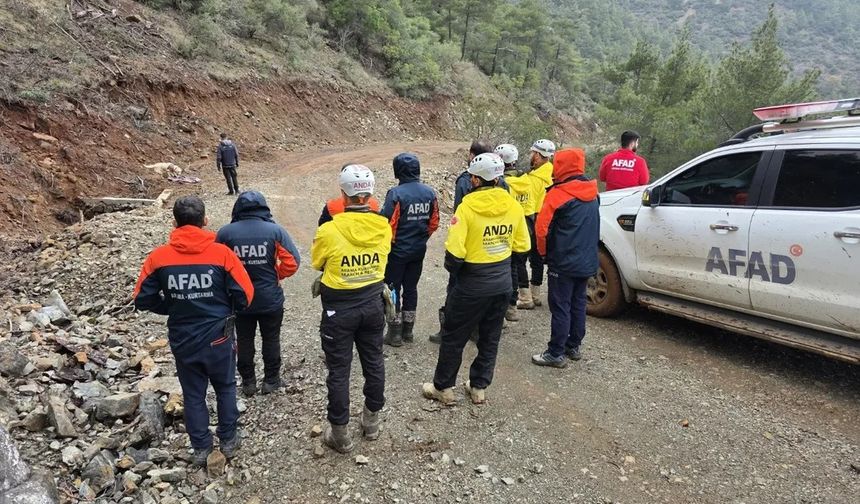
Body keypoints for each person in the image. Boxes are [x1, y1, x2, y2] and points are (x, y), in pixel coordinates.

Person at [133, 196, 254, 466]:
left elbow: (142, 298)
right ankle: (229, 440)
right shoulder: (222, 254)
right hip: (218, 335)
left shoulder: (158, 257)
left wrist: (174, 306)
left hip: (182, 337)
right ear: (205, 221)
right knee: (225, 387)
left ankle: (201, 447)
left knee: (193, 393)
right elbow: (245, 293)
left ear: (175, 223)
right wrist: (223, 305)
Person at [422, 153, 530, 405]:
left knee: (454, 336)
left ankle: (444, 388)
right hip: (502, 282)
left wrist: (459, 274)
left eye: (472, 177)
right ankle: (479, 387)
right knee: (490, 337)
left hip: (472, 283)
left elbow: (455, 253)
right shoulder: (513, 206)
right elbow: (522, 246)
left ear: (476, 180)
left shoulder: (467, 207)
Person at [311, 164, 391, 453]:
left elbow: (318, 262)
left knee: (339, 370)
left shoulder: (329, 229)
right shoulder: (383, 226)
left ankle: (340, 434)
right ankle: (371, 422)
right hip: (373, 304)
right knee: (374, 361)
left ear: (343, 195)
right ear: (369, 195)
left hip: (339, 309)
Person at [215, 191, 301, 396]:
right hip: (270, 298)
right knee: (271, 338)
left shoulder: (225, 233)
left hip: (240, 300)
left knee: (244, 340)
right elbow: (293, 262)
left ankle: (248, 383)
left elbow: (216, 265)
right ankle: (271, 380)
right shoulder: (275, 231)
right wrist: (275, 275)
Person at [430, 140, 508, 343]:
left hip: (469, 246)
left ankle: (449, 329)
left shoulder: (466, 181)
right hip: (495, 247)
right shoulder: (502, 182)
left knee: (456, 289)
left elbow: (458, 212)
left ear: (473, 156)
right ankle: (476, 329)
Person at [530, 148, 600, 368]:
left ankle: (555, 352)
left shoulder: (558, 195)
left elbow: (541, 230)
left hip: (563, 261)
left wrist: (543, 254)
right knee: (578, 303)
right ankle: (573, 346)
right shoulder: (593, 192)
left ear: (562, 166)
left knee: (560, 306)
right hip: (587, 260)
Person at [381, 153, 440, 347]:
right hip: (418, 250)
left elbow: (386, 224)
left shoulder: (396, 194)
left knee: (393, 289)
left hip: (396, 252)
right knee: (412, 288)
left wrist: (391, 245)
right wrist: (421, 238)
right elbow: (434, 222)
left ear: (397, 171)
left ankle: (395, 333)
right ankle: (408, 331)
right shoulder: (430, 193)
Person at [510, 139, 556, 310]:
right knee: (537, 258)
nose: (531, 156)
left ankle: (525, 296)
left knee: (520, 258)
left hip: (533, 219)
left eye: (532, 153)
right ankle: (536, 294)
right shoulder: (552, 173)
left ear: (537, 155)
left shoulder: (533, 179)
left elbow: (518, 185)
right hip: (549, 222)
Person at [495, 143, 524, 323]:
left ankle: (499, 311)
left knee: (501, 269)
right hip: (521, 229)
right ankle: (512, 307)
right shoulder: (527, 179)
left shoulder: (501, 183)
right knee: (514, 269)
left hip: (503, 229)